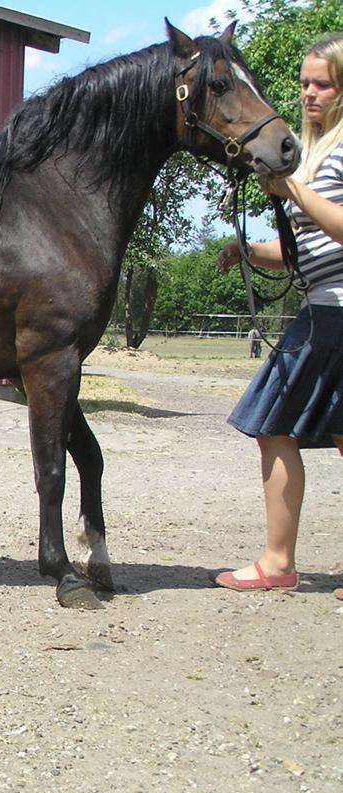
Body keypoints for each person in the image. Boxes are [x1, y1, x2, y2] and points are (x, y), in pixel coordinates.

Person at [214, 33, 343, 596]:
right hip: (326, 305)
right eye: (305, 83)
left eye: (324, 84)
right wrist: (248, 249)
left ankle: (277, 562)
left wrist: (292, 187)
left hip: (333, 313)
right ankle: (279, 561)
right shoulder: (318, 150)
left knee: (271, 424)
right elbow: (304, 250)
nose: (310, 94)